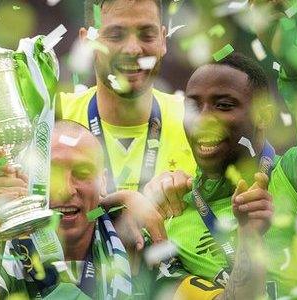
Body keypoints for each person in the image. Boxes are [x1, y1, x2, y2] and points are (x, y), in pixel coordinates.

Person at [151, 52, 297, 299]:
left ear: (264, 115)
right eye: (194, 106)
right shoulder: (171, 218)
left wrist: (292, 55)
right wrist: (249, 238)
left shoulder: (294, 176)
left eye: (223, 105)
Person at [0, 120, 137, 299]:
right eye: (51, 174)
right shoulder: (0, 249)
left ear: (103, 182)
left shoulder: (134, 241)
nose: (66, 190)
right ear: (27, 179)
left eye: (82, 174)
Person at [58, 0, 196, 199]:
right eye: (115, 35)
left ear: (163, 40)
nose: (133, 49)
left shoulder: (195, 123)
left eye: (147, 35)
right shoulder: (53, 118)